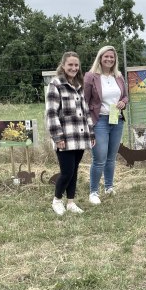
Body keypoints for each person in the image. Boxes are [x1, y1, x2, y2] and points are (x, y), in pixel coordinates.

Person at [46, 51, 95, 216]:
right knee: (66, 172)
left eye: (76, 65)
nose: (73, 68)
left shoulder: (79, 85)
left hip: (79, 137)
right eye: (70, 65)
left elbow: (86, 112)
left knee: (74, 171)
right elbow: (51, 113)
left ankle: (71, 202)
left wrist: (91, 133)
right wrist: (57, 136)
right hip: (65, 137)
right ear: (63, 65)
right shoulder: (56, 84)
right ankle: (57, 200)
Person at [84, 45, 128, 204]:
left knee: (111, 158)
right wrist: (89, 125)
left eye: (112, 57)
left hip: (116, 120)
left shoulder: (119, 76)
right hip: (99, 121)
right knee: (100, 158)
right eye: (106, 56)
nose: (109, 59)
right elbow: (85, 101)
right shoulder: (90, 76)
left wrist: (123, 102)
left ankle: (109, 186)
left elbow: (125, 97)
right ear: (100, 58)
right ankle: (93, 192)